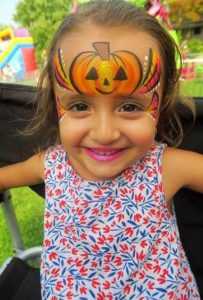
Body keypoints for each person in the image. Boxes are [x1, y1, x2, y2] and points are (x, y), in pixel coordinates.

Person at [0, 0, 203, 298]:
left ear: (162, 105)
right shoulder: (49, 165)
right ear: (56, 105)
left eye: (131, 106)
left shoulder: (166, 167)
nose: (105, 133)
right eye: (80, 106)